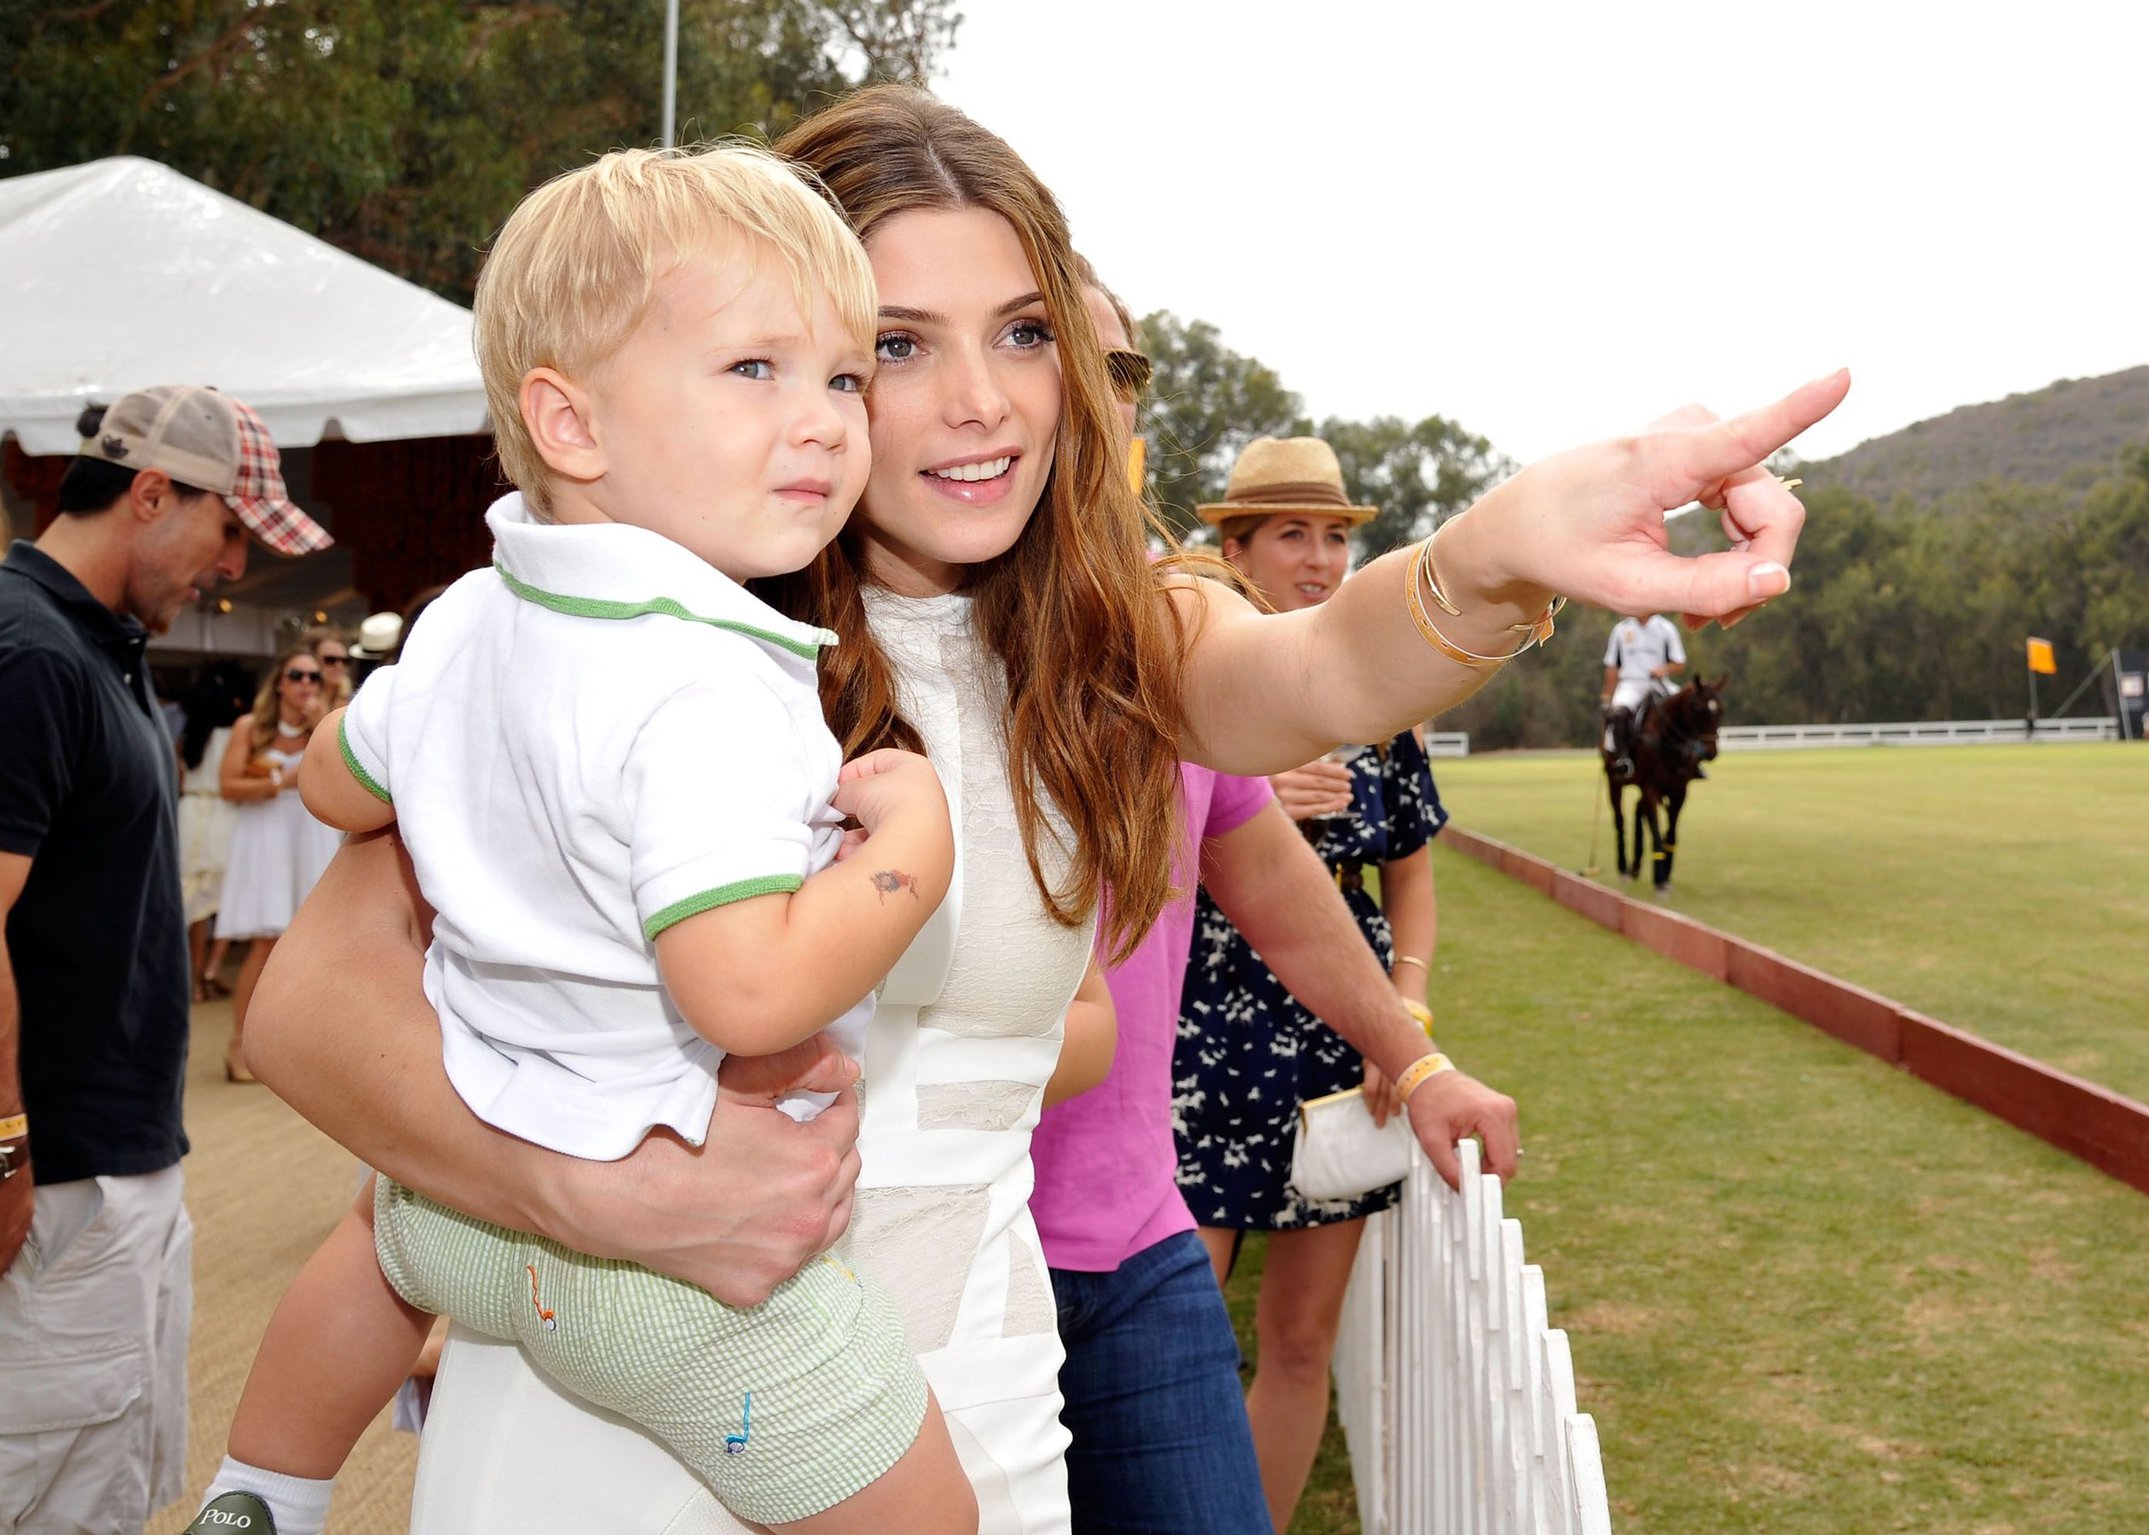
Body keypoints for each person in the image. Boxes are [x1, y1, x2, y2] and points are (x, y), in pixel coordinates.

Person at [241, 85, 1841, 1535]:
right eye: (897, 344)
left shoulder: (1099, 641)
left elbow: (1325, 665)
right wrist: (595, 1200)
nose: (980, 402)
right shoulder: (606, 645)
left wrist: (1496, 552)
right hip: (624, 1430)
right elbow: (305, 1007)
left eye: (1019, 334)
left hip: (978, 1419)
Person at [182, 141, 981, 1535]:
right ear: (570, 422)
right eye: (755, 368)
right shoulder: (710, 678)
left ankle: (262, 1491)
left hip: (451, 1188)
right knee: (933, 1521)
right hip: (681, 1269)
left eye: (845, 377)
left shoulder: (464, 618)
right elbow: (747, 992)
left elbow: (335, 793)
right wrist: (910, 848)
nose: (824, 423)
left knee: (372, 1243)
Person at [1033, 271, 1520, 1534]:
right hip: (954, 1241)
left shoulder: (1164, 619)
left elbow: (1283, 855)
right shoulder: (847, 619)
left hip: (1134, 1236)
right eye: (1040, 341)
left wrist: (1413, 1054)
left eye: (1120, 369)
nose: (1087, 390)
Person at [0, 385, 327, 1534]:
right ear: (149, 493)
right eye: (228, 528)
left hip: (113, 1154)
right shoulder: (30, 650)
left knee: (103, 1477)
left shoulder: (100, 639)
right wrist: (5, 1146)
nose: (232, 565)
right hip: (54, 1169)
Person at [1168, 435, 1455, 1529]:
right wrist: (1238, 803)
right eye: (1292, 533)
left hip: (1342, 1046)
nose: (1321, 558)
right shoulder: (1182, 681)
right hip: (1198, 1037)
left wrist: (1406, 1011)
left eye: (1335, 535)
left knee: (1299, 1341)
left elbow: (1411, 874)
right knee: (1172, 1335)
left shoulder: (1375, 703)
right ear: (1234, 549)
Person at [211, 650, 343, 1081]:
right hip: (265, 836)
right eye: (297, 674)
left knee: (311, 944)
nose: (306, 683)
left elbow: (345, 779)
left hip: (310, 833)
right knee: (266, 942)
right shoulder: (250, 726)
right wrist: (278, 782)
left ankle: (300, 1048)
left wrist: (322, 726)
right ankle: (239, 1045)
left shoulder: (328, 724)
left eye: (314, 677)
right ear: (280, 682)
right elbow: (227, 785)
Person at [178, 661, 251, 1001]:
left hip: (190, 812)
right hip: (223, 814)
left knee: (194, 898)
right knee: (222, 896)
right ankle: (209, 970)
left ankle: (195, 978)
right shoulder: (234, 736)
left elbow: (180, 778)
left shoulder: (189, 739)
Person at [1601, 609, 1688, 777]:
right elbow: (1612, 667)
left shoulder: (1666, 628)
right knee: (1618, 714)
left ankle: (1690, 757)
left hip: (1658, 683)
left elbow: (1679, 663)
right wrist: (1606, 697)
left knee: (1686, 706)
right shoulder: (1621, 630)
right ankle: (1623, 759)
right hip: (1630, 684)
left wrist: (1664, 669)